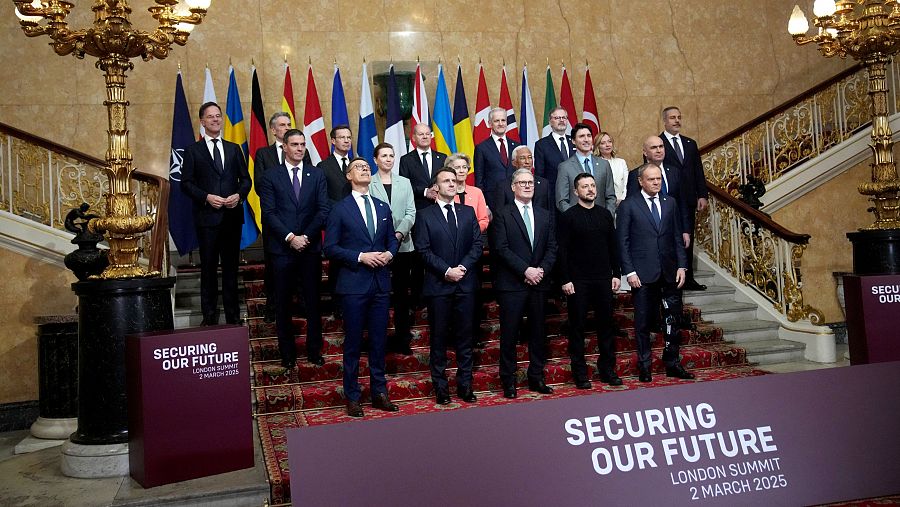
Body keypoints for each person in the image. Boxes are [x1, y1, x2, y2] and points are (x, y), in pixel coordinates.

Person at [324, 157, 400, 418]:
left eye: (367, 167)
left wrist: (389, 254)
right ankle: (353, 396)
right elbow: (330, 247)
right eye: (359, 167)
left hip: (380, 284)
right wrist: (360, 257)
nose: (365, 169)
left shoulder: (382, 206)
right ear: (348, 176)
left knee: (379, 342)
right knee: (354, 343)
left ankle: (380, 393)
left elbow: (392, 240)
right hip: (354, 284)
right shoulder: (339, 209)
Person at [256, 129, 330, 369]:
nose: (299, 148)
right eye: (294, 144)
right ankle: (286, 353)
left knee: (313, 302)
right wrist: (290, 238)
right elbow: (268, 213)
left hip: (309, 249)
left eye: (302, 144)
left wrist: (306, 237)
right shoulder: (270, 176)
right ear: (284, 147)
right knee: (283, 304)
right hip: (282, 250)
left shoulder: (316, 175)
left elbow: (323, 210)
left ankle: (314, 350)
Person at [616, 163, 694, 383]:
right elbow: (622, 242)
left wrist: (682, 266)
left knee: (673, 319)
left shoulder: (671, 203)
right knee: (642, 323)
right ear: (641, 181)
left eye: (658, 179)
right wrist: (629, 271)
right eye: (651, 179)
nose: (656, 182)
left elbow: (677, 237)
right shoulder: (629, 205)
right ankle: (645, 366)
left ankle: (672, 363)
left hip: (670, 272)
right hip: (642, 274)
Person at [413, 168, 483, 405]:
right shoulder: (424, 215)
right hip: (438, 285)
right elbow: (423, 250)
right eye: (446, 181)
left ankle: (465, 386)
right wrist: (446, 271)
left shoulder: (468, 212)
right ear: (436, 187)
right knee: (439, 340)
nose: (452, 184)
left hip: (465, 283)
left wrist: (461, 268)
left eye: (454, 180)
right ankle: (441, 388)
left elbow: (476, 244)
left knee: (465, 339)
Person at [180, 101, 251, 326]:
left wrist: (239, 196)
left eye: (218, 116)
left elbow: (246, 180)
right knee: (209, 269)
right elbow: (186, 183)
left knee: (231, 270)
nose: (215, 120)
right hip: (207, 219)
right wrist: (206, 197)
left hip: (231, 218)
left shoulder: (233, 148)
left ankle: (233, 317)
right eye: (210, 117)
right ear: (202, 122)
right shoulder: (193, 150)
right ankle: (209, 317)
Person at [490, 168, 558, 399]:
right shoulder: (502, 214)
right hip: (513, 284)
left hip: (539, 282)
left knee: (538, 333)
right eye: (522, 183)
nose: (528, 186)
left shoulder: (545, 214)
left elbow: (552, 247)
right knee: (509, 334)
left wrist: (541, 270)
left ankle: (536, 377)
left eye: (530, 182)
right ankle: (508, 380)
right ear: (513, 187)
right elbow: (501, 248)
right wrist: (525, 270)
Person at [557, 173, 622, 388]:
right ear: (576, 192)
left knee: (606, 326)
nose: (590, 189)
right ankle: (580, 373)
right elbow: (562, 251)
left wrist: (616, 273)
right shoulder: (568, 217)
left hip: (603, 278)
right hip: (578, 281)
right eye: (585, 186)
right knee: (577, 328)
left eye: (592, 185)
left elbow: (613, 246)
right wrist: (565, 279)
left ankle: (607, 370)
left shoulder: (605, 215)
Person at [255, 112, 306, 323]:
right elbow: (259, 185)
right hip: (275, 222)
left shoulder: (302, 151)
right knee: (273, 267)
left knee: (301, 267)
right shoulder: (263, 154)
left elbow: (307, 184)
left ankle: (301, 304)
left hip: (299, 221)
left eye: (288, 124)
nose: (285, 127)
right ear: (273, 130)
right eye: (282, 125)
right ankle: (273, 306)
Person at [368, 143, 417, 355]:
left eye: (391, 155)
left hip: (402, 245)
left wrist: (397, 235)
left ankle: (402, 339)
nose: (388, 159)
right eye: (384, 156)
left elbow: (411, 212)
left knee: (401, 296)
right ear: (375, 159)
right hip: (376, 248)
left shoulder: (405, 183)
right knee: (377, 295)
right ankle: (376, 340)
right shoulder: (368, 183)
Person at [660, 106, 709, 291]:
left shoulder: (690, 143)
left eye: (679, 117)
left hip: (688, 200)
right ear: (665, 121)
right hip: (667, 201)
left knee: (688, 239)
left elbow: (698, 170)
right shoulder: (659, 143)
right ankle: (671, 277)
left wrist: (702, 194)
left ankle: (688, 279)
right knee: (670, 238)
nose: (676, 120)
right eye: (672, 118)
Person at [556, 123, 616, 215]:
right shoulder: (565, 167)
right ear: (573, 141)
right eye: (581, 136)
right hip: (576, 224)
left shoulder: (604, 164)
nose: (586, 139)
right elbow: (562, 201)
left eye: (589, 136)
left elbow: (610, 196)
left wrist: (607, 216)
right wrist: (575, 219)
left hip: (601, 222)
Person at [474, 107, 519, 211]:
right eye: (496, 121)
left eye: (503, 120)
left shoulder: (516, 145)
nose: (500, 124)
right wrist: (484, 205)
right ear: (490, 124)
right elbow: (479, 179)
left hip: (514, 198)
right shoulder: (481, 148)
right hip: (492, 201)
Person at [399, 123, 448, 210]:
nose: (425, 137)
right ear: (414, 138)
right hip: (418, 209)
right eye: (421, 134)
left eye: (427, 134)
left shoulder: (442, 158)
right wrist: (425, 192)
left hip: (440, 207)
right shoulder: (406, 160)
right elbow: (404, 186)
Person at [496, 145, 552, 211]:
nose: (527, 162)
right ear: (514, 162)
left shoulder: (544, 184)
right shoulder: (503, 186)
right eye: (522, 158)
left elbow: (551, 213)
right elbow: (499, 214)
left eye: (530, 157)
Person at [533, 106, 574, 196]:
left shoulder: (575, 142)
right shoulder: (541, 145)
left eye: (564, 117)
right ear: (550, 122)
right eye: (557, 118)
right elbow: (540, 174)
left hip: (575, 193)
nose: (561, 120)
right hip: (553, 193)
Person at [447, 153, 490, 233]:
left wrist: (472, 233)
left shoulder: (477, 192)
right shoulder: (445, 193)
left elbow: (483, 219)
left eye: (464, 167)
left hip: (475, 238)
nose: (461, 171)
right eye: (457, 168)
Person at [317, 125, 353, 203]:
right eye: (342, 137)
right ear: (333, 141)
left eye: (349, 137)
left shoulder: (356, 163)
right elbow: (322, 195)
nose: (346, 141)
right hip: (334, 211)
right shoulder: (323, 166)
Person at [594, 131, 628, 206]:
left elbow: (626, 183)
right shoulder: (594, 164)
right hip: (603, 204)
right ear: (598, 146)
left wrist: (622, 199)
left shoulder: (621, 162)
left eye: (609, 141)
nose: (607, 145)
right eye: (603, 143)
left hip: (622, 202)